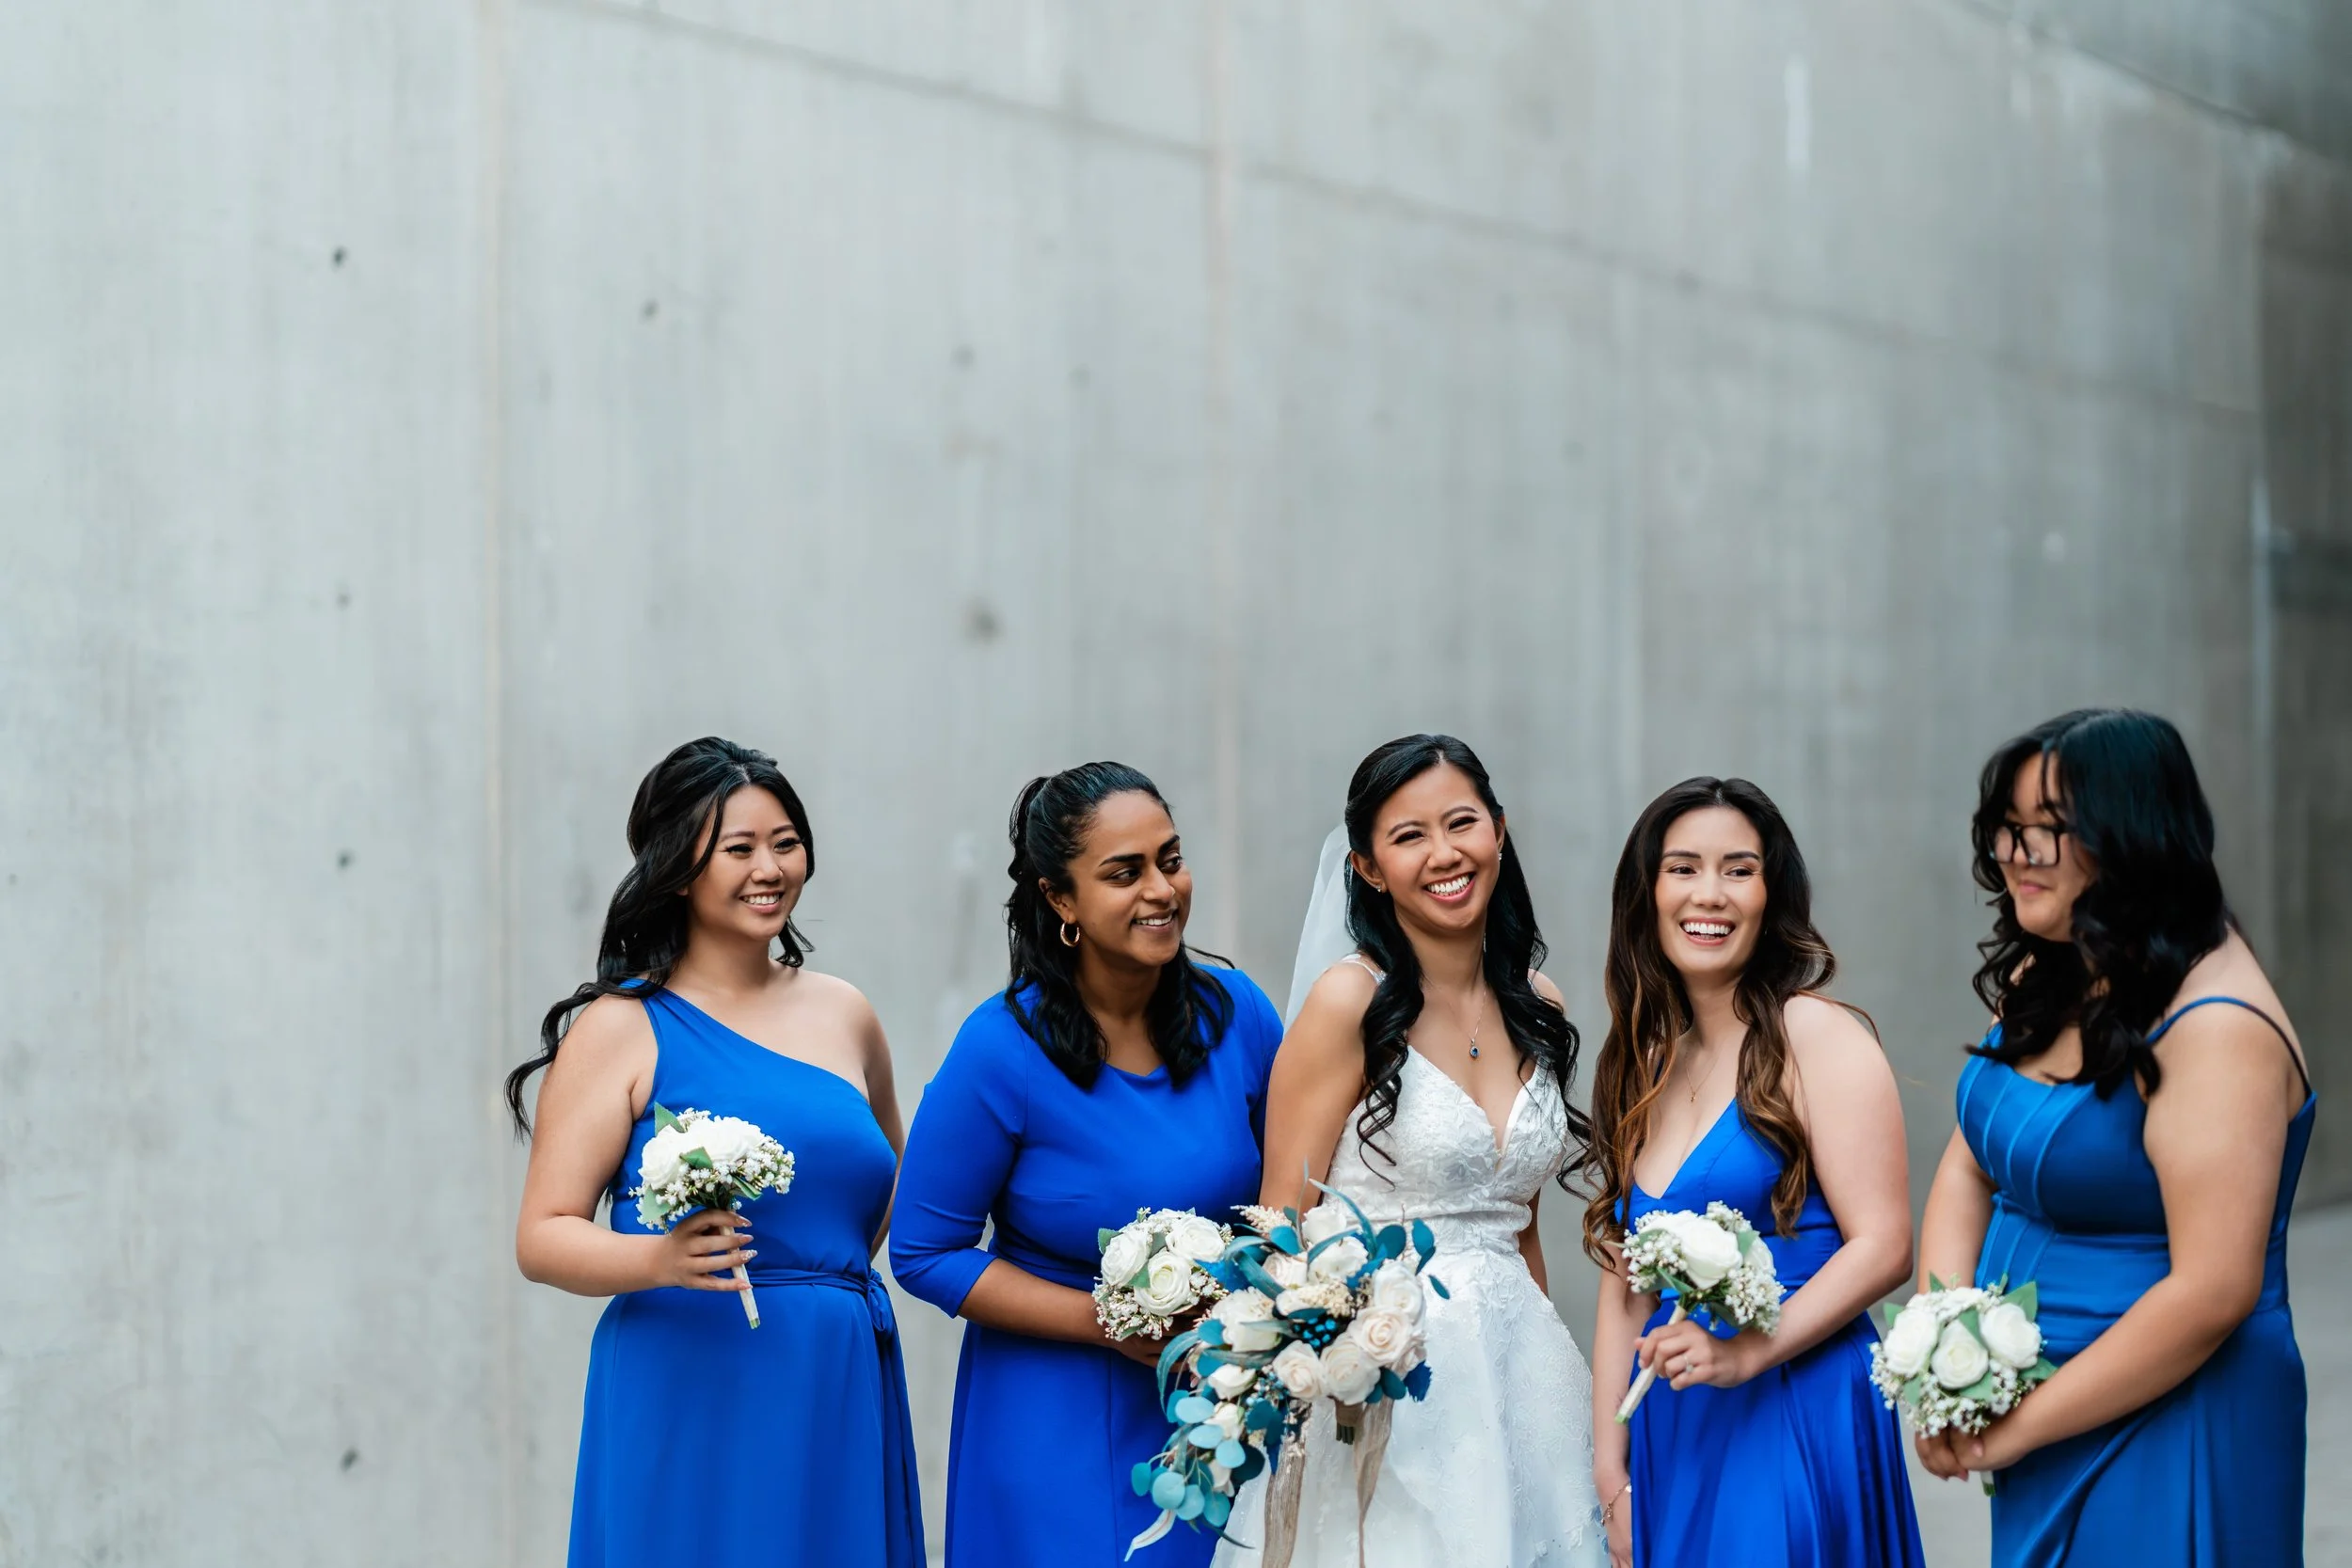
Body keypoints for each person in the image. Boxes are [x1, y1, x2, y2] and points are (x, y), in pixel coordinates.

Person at [507, 736, 921, 1568]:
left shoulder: (847, 1014)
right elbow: (543, 1234)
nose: (769, 867)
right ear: (680, 867)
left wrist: (817, 1285)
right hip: (689, 1374)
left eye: (785, 843)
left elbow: (892, 1186)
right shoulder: (622, 1026)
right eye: (738, 849)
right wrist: (661, 1257)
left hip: (834, 1375)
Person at [1915, 709, 2312, 1565]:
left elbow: (2213, 1289)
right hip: (2031, 1403)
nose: (2017, 854)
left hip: (2169, 1413)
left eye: (2050, 831)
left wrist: (2014, 1426)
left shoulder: (2218, 1026)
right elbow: (1968, 1163)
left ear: (2133, 836)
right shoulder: (2047, 965)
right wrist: (1943, 1349)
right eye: (2009, 829)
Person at [1216, 734, 1606, 1568]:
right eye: (1408, 836)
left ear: (1499, 830)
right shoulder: (1348, 1001)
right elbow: (1282, 1215)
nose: (1445, 853)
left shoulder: (1540, 1004)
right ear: (1367, 867)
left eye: (1461, 822)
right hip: (1385, 1379)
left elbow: (1522, 1226)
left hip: (1523, 1375)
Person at [891, 762, 1284, 1567]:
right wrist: (1105, 1323)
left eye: (1170, 859)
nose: (1161, 889)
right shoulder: (1000, 1049)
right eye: (1124, 872)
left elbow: (1287, 1201)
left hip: (1218, 1406)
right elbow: (923, 1251)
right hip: (1050, 1416)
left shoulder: (1238, 1014)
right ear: (1061, 900)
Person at [1585, 776, 1922, 1568]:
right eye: (1684, 868)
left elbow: (1884, 1243)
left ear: (1772, 893)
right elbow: (1624, 1284)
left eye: (1739, 869)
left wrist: (1749, 1352)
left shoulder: (1817, 1032)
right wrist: (1609, 1465)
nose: (1711, 893)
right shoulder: (1647, 1062)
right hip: (1676, 1424)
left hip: (1793, 1399)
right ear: (1648, 891)